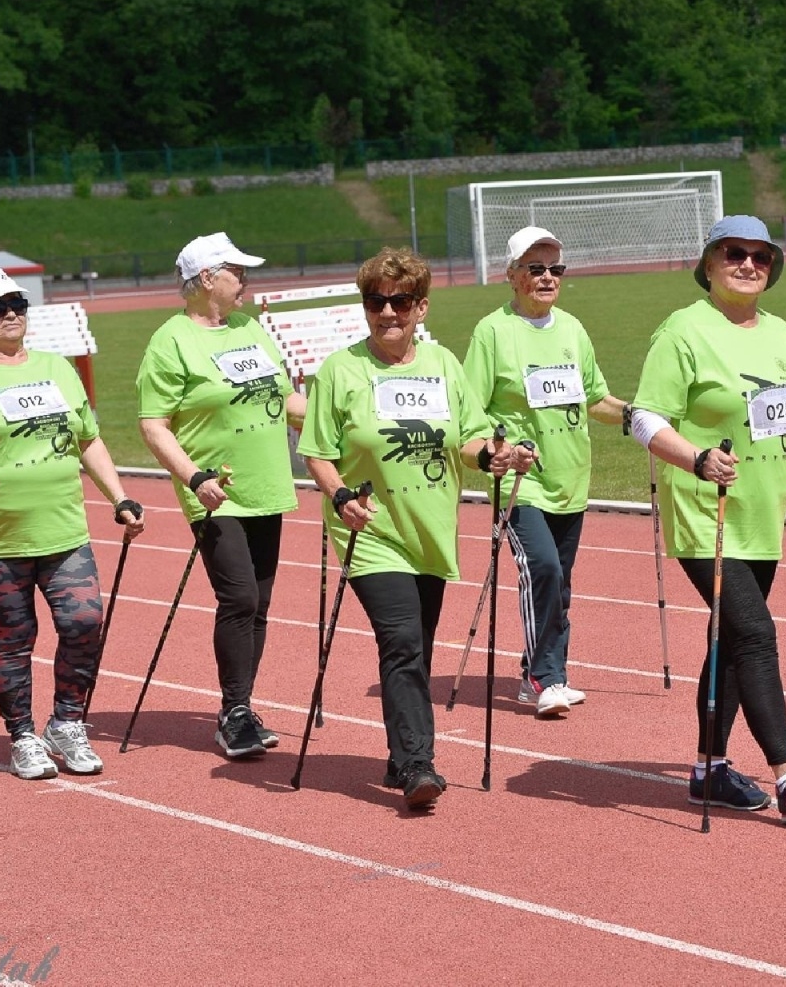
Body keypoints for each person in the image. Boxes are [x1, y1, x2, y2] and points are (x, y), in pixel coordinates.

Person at [628, 215, 786, 824]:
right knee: (755, 635)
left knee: (729, 643)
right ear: (710, 261)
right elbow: (646, 418)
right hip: (705, 512)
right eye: (734, 253)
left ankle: (708, 770)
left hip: (762, 515)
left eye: (761, 256)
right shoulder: (683, 331)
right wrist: (696, 459)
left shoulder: (782, 335)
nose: (748, 264)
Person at [300, 247, 532, 810]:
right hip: (371, 531)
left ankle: (400, 750)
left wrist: (495, 455)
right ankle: (419, 766)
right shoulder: (340, 370)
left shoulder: (445, 366)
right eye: (375, 301)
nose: (387, 313)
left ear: (420, 308)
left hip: (430, 531)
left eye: (399, 301)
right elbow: (317, 453)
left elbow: (471, 439)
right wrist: (339, 496)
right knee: (401, 641)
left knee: (418, 649)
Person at [0, 268, 144, 780]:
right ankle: (22, 736)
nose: (12, 313)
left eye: (17, 302)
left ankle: (66, 722)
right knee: (14, 638)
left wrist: (120, 495)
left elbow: (88, 439)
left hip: (63, 529)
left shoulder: (57, 368)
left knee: (84, 622)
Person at [137, 232, 305, 760]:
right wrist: (192, 477)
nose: (246, 281)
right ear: (207, 279)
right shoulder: (172, 340)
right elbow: (153, 425)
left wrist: (343, 419)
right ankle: (233, 712)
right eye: (237, 272)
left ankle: (243, 705)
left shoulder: (250, 328)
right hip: (214, 492)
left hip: (268, 484)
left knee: (261, 605)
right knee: (239, 598)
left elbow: (285, 399)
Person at [462, 227, 626, 718]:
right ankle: (543, 677)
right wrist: (503, 449)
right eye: (536, 269)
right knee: (544, 570)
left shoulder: (573, 329)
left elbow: (596, 399)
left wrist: (640, 416)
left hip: (571, 477)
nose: (548, 277)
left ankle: (542, 670)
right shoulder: (492, 332)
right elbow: (470, 413)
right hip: (520, 482)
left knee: (561, 583)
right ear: (512, 276)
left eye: (556, 269)